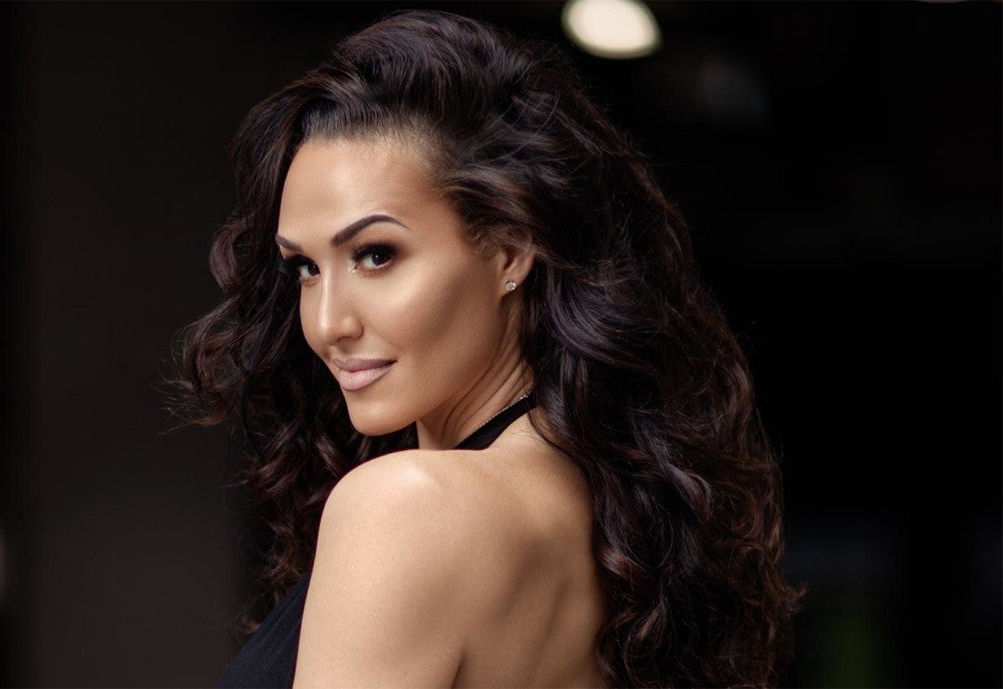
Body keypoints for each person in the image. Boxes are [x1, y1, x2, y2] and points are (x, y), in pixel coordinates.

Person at [172, 9, 802, 688]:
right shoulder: (612, 514)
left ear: (510, 248)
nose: (328, 323)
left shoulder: (405, 508)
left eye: (376, 254)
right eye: (304, 268)